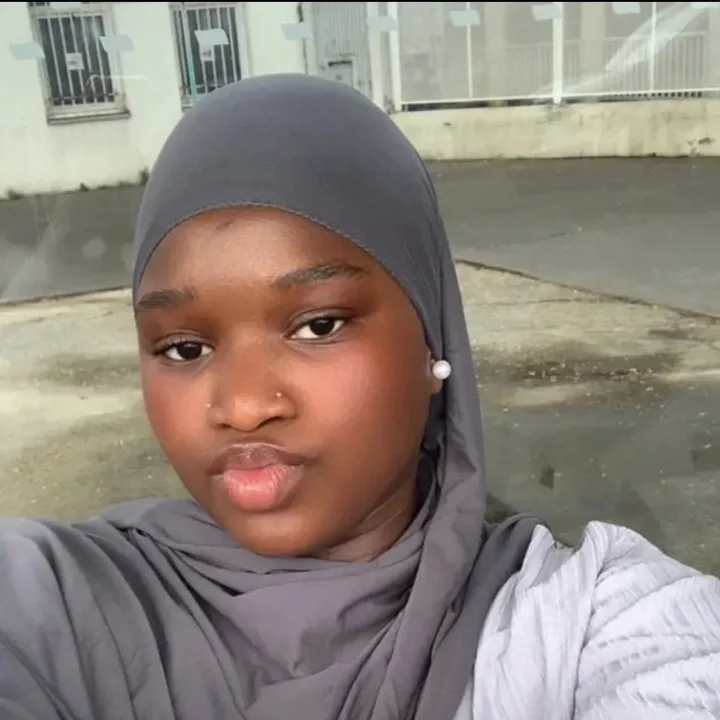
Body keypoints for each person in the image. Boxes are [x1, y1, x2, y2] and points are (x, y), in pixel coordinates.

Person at [0, 74, 718, 720]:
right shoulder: (56, 598)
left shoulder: (585, 624)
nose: (244, 407)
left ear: (432, 338)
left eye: (319, 326)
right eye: (185, 349)